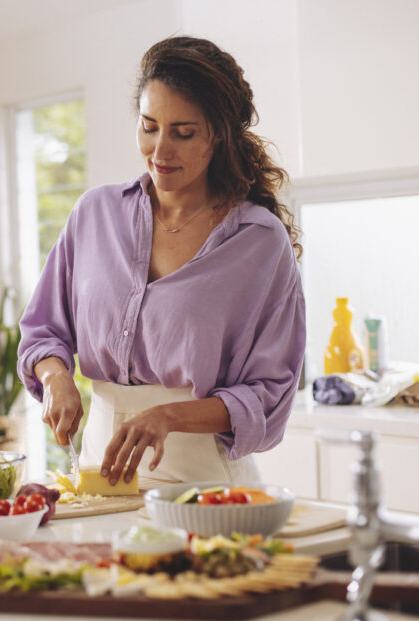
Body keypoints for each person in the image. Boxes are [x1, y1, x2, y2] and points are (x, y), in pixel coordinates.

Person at [16, 36, 305, 489]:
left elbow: (269, 393)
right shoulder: (95, 214)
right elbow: (43, 330)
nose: (160, 151)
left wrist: (168, 416)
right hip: (98, 473)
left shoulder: (258, 241)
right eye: (149, 127)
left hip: (204, 479)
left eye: (183, 133)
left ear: (219, 134)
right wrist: (56, 378)